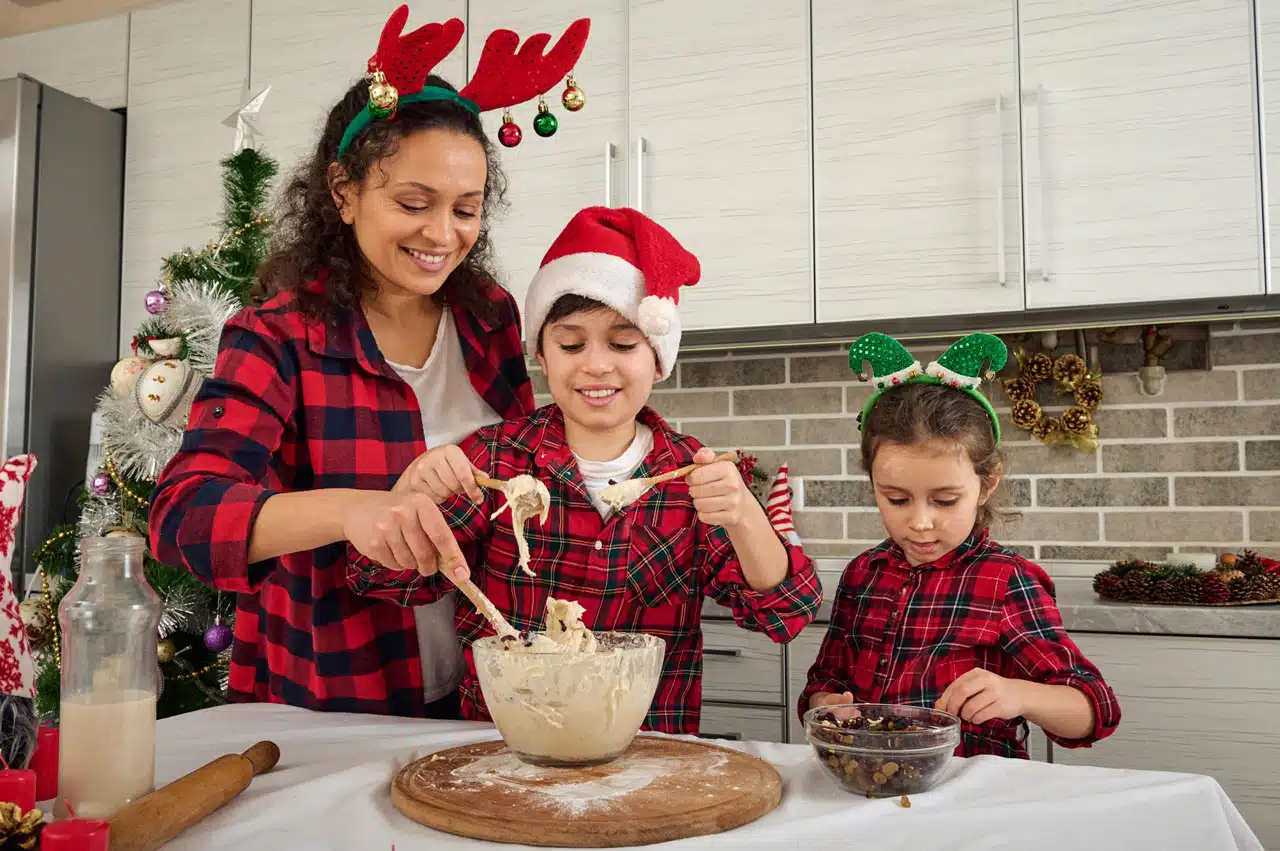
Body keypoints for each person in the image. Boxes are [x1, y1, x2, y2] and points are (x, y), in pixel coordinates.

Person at [148, 7, 589, 718]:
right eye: (414, 202)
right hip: (335, 697)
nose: (443, 235)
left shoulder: (489, 317)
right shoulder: (280, 335)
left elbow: (515, 475)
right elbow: (184, 517)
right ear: (343, 192)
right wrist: (353, 511)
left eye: (467, 209)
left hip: (484, 688)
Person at [349, 206, 823, 734]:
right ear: (543, 358)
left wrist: (744, 519)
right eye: (571, 344)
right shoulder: (492, 461)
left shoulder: (691, 476)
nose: (596, 364)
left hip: (642, 754)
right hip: (505, 745)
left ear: (658, 359)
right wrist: (408, 495)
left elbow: (785, 615)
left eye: (622, 344)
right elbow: (384, 582)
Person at [800, 333, 1120, 758]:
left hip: (972, 798)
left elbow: (1095, 710)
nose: (919, 522)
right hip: (871, 786)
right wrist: (826, 705)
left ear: (987, 484)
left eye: (945, 500)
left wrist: (1019, 695)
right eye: (895, 499)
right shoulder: (863, 573)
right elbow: (825, 681)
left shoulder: (1006, 581)